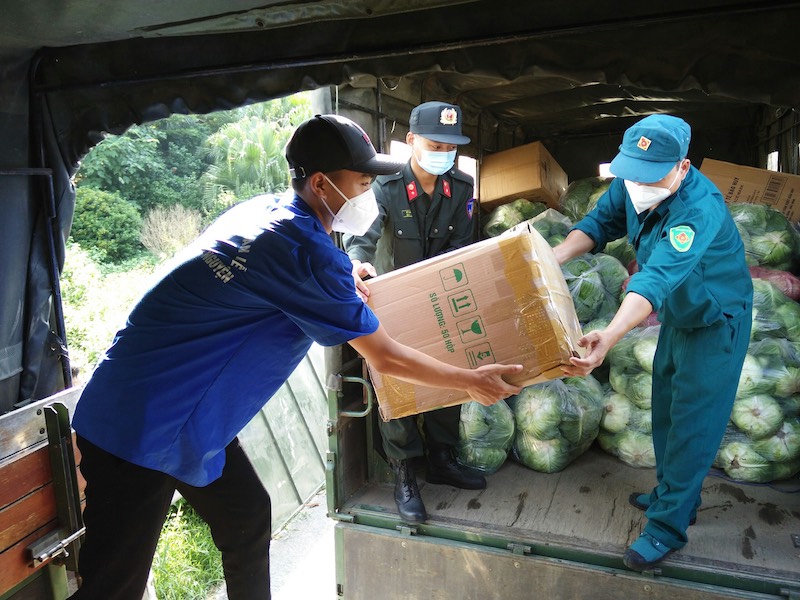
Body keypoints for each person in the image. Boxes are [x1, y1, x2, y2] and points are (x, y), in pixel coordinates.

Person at [69, 113, 523, 600]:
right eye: (364, 181)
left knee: (245, 516)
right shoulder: (302, 252)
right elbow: (386, 358)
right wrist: (469, 380)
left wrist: (344, 270)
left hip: (181, 412)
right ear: (323, 183)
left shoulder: (265, 213)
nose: (369, 192)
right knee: (112, 588)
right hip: (141, 426)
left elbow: (285, 271)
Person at [552, 114, 752, 571]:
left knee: (694, 421)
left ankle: (667, 528)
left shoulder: (698, 208)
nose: (638, 183)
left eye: (651, 173)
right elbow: (598, 222)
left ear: (682, 168)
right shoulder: (635, 178)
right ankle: (674, 496)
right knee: (665, 405)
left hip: (716, 319)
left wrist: (611, 334)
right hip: (681, 315)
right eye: (632, 171)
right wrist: (553, 255)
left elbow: (656, 278)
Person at [344, 101, 481, 525]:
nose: (443, 152)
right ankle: (405, 475)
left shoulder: (459, 188)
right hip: (392, 304)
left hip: (440, 298)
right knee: (399, 387)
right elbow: (362, 239)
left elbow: (461, 248)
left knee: (448, 377)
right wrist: (355, 263)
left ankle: (443, 460)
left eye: (450, 146)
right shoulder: (384, 186)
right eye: (434, 143)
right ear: (411, 142)